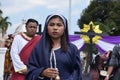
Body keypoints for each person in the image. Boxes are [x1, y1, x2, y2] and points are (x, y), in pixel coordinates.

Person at [25, 14, 82, 80]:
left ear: (64, 28)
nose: (55, 28)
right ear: (46, 28)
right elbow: (30, 70)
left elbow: (77, 71)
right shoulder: (38, 49)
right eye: (51, 25)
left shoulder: (72, 49)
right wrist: (42, 72)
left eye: (59, 25)